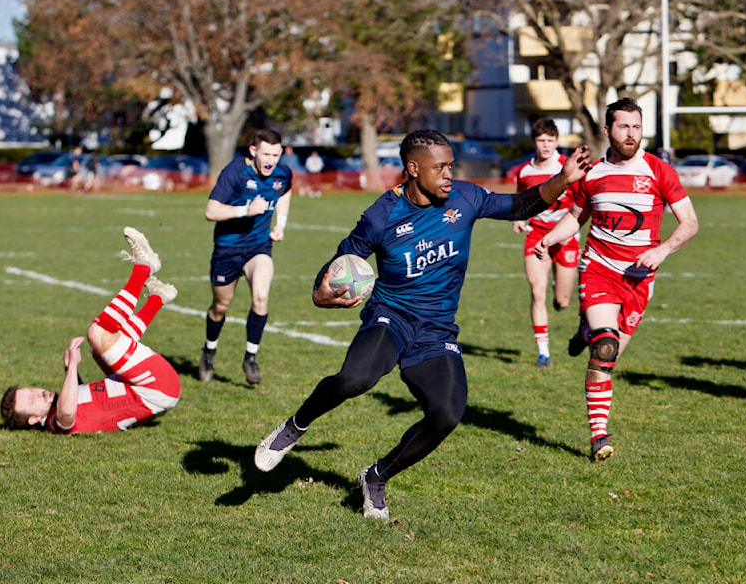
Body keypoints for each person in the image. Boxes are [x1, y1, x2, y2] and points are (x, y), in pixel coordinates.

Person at [254, 129, 592, 520]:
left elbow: (520, 205)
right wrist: (322, 294)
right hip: (390, 317)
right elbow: (337, 267)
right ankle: (294, 427)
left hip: (436, 330)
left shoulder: (466, 197)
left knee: (447, 413)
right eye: (440, 167)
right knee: (355, 379)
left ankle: (376, 477)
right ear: (413, 169)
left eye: (451, 165)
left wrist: (563, 180)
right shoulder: (382, 214)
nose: (450, 173)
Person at [536, 98, 699, 461]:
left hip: (640, 281)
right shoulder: (591, 174)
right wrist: (550, 238)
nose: (631, 134)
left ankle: (585, 329)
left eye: (637, 127)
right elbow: (576, 218)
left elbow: (690, 223)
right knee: (605, 347)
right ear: (608, 130)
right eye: (624, 127)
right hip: (598, 268)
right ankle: (598, 435)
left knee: (610, 356)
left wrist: (661, 251)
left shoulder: (659, 171)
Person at [0, 227, 180, 433]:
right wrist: (74, 366)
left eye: (32, 390)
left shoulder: (58, 409)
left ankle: (158, 298)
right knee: (98, 333)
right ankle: (144, 267)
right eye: (32, 400)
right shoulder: (54, 423)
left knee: (100, 352)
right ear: (33, 420)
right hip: (157, 388)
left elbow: (86, 399)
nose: (39, 393)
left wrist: (69, 371)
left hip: (150, 392)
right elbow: (67, 416)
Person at [199, 128, 293, 385]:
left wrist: (281, 224)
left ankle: (250, 357)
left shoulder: (282, 173)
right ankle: (209, 350)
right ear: (254, 151)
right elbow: (211, 211)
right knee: (220, 307)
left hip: (259, 247)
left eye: (276, 154)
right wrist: (245, 211)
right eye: (266, 154)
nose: (271, 160)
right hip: (227, 249)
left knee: (261, 296)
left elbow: (285, 192)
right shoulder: (235, 172)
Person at [511, 118, 580, 367]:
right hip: (537, 234)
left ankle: (558, 287)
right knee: (536, 291)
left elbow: (582, 198)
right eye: (541, 141)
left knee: (562, 301)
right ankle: (543, 353)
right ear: (534, 142)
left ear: (557, 141)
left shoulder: (568, 166)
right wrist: (519, 218)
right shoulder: (525, 171)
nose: (546, 145)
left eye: (550, 140)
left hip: (566, 236)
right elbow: (522, 200)